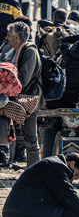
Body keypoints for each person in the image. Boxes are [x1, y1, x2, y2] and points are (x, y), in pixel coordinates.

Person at [6, 21, 43, 167]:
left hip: (29, 100)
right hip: (18, 97)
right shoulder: (14, 51)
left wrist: (6, 86)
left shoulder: (29, 52)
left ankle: (35, 169)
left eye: (10, 35)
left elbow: (23, 78)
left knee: (30, 137)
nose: (7, 38)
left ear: (17, 38)